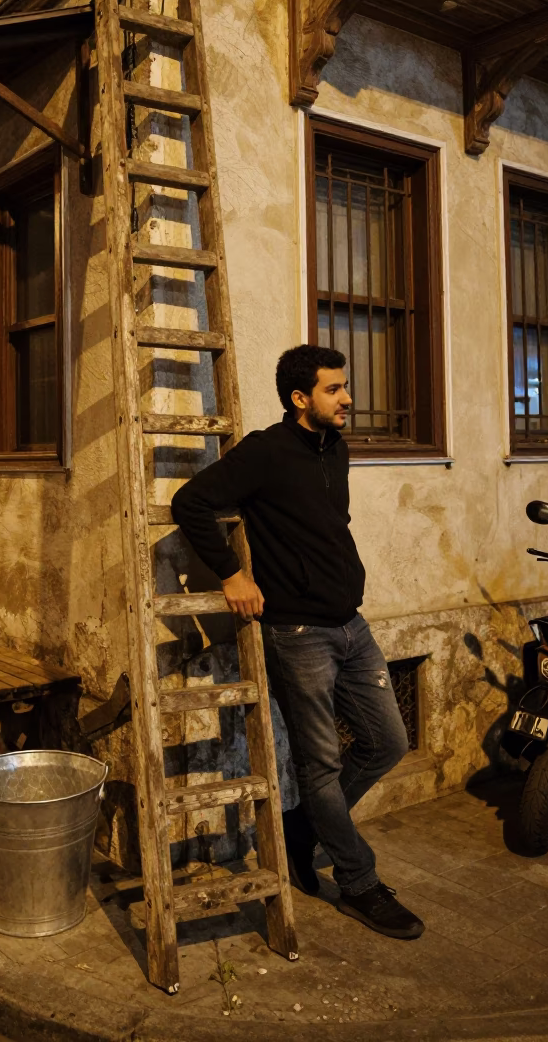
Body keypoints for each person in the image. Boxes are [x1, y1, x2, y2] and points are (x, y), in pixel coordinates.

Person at [171, 344, 424, 940]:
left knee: (388, 742)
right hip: (299, 633)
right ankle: (359, 882)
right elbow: (192, 502)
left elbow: (328, 527)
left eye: (345, 386)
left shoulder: (334, 447)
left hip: (350, 625)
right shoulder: (265, 452)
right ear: (300, 398)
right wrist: (233, 575)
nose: (348, 399)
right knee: (321, 762)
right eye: (335, 390)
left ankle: (304, 828)